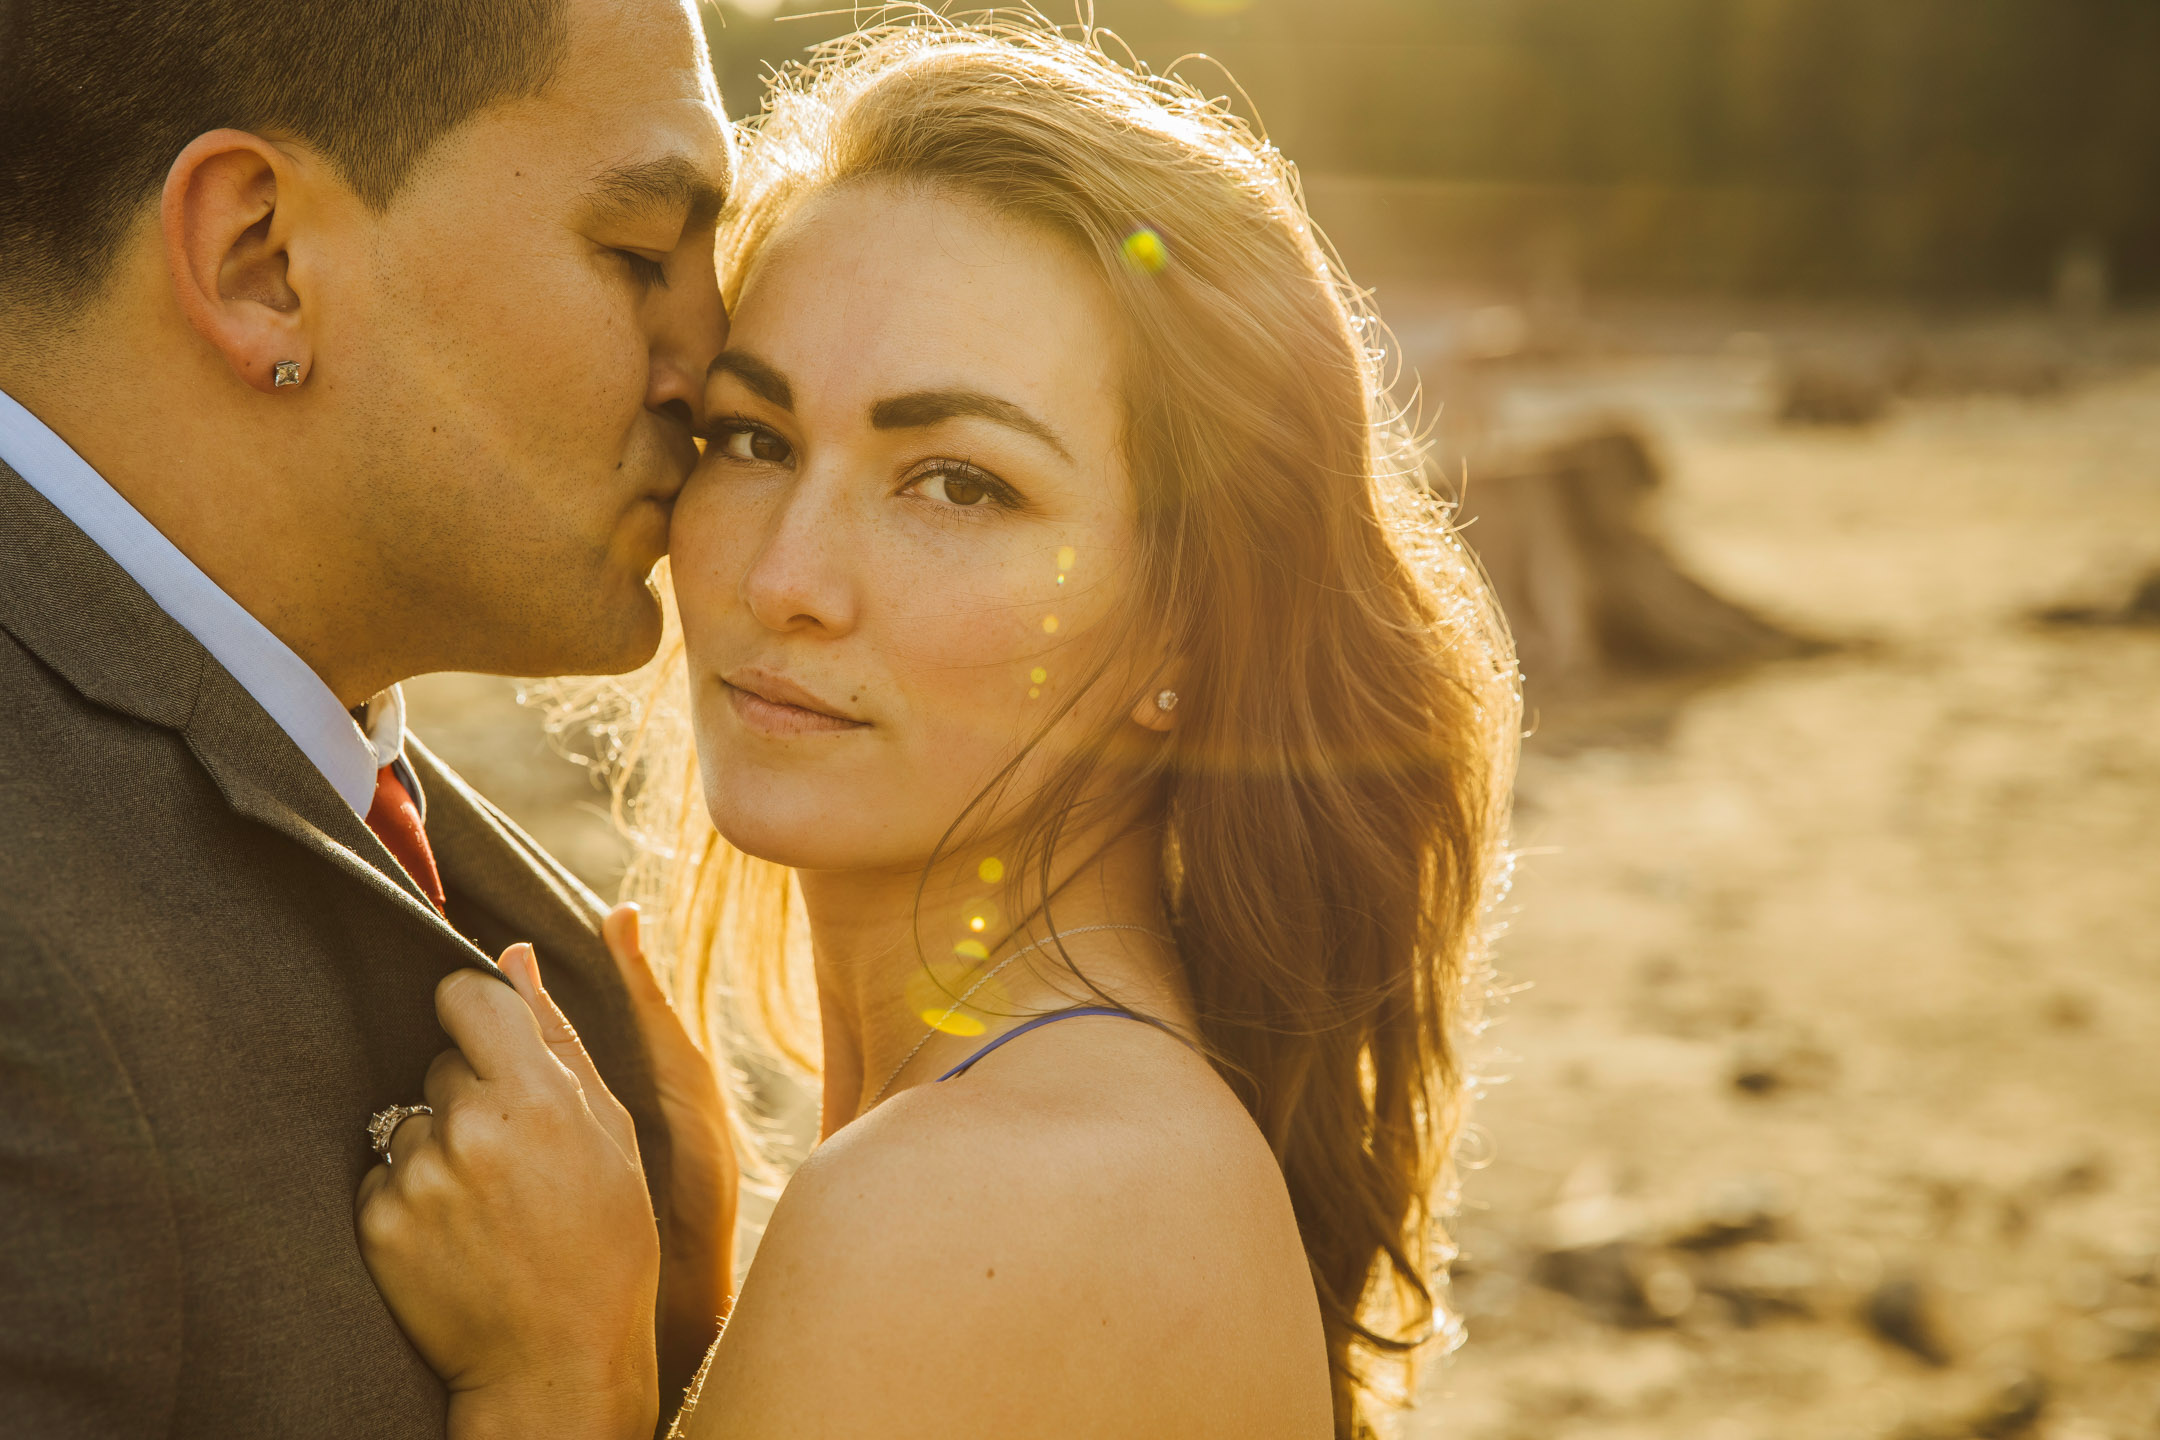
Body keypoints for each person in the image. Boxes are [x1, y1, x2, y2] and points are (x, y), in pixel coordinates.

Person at [356, 19, 1520, 1440]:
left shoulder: (988, 1196)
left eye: (960, 486)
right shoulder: (1066, 1145)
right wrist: (695, 1317)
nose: (785, 579)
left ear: (1191, 631)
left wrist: (555, 1383)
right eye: (751, 439)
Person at [0, 0, 740, 1433]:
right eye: (640, 254)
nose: (716, 376)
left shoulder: (490, 880)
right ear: (260, 260)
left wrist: (685, 1331)